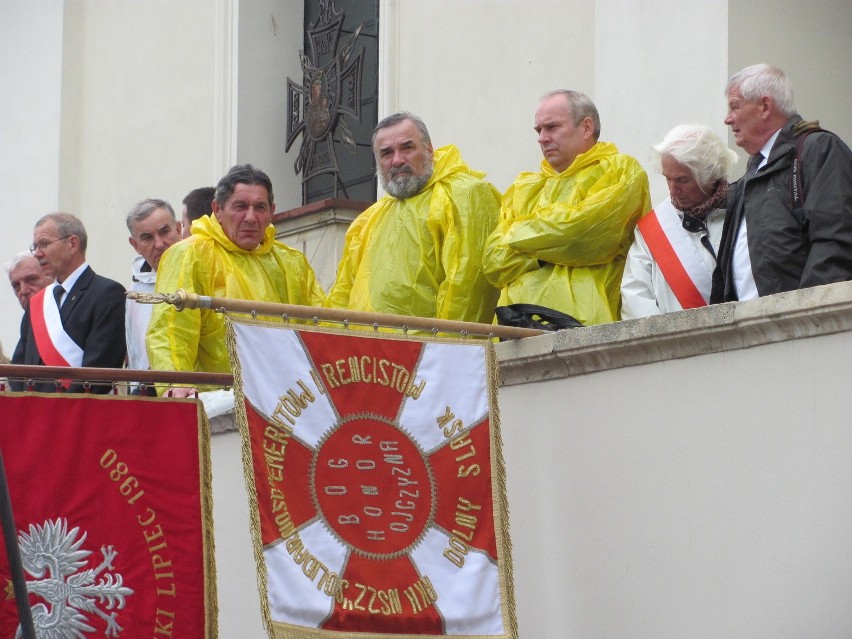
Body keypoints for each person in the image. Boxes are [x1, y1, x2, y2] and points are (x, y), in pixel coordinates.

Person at [147, 164, 325, 397]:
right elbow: (171, 328)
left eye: (260, 207)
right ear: (217, 209)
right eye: (240, 207)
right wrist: (175, 383)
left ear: (272, 211)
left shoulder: (291, 262)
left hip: (286, 404)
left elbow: (321, 327)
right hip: (218, 405)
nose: (250, 217)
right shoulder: (191, 254)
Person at [483, 90, 650, 326]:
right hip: (514, 327)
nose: (542, 137)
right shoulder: (525, 187)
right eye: (538, 130)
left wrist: (519, 233)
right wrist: (549, 248)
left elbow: (584, 237)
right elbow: (493, 262)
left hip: (587, 327)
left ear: (586, 128)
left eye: (551, 127)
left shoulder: (620, 171)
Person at [326, 112, 501, 323]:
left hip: (426, 353)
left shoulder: (464, 196)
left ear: (429, 149)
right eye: (386, 153)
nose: (397, 160)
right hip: (364, 353)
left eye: (407, 148)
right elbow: (342, 295)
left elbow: (468, 289)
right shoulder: (368, 220)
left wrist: (448, 349)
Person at [712, 63, 852, 303]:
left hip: (797, 329)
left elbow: (834, 241)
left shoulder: (818, 150)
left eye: (735, 106)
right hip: (750, 330)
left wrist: (803, 315)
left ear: (765, 106)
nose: (727, 119)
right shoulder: (754, 172)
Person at [621, 124, 737, 318]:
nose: (673, 190)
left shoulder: (741, 212)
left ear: (709, 175)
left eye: (682, 180)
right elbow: (635, 301)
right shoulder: (652, 229)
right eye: (668, 179)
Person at [11, 213, 126, 393]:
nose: (38, 253)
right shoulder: (38, 302)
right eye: (35, 247)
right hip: (34, 415)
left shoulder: (108, 293)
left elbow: (100, 371)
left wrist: (61, 409)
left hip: (77, 414)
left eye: (45, 244)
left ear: (72, 243)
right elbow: (18, 368)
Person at [125, 198, 182, 381]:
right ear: (135, 245)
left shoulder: (203, 273)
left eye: (165, 232)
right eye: (147, 237)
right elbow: (135, 352)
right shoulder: (135, 292)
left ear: (179, 230)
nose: (159, 244)